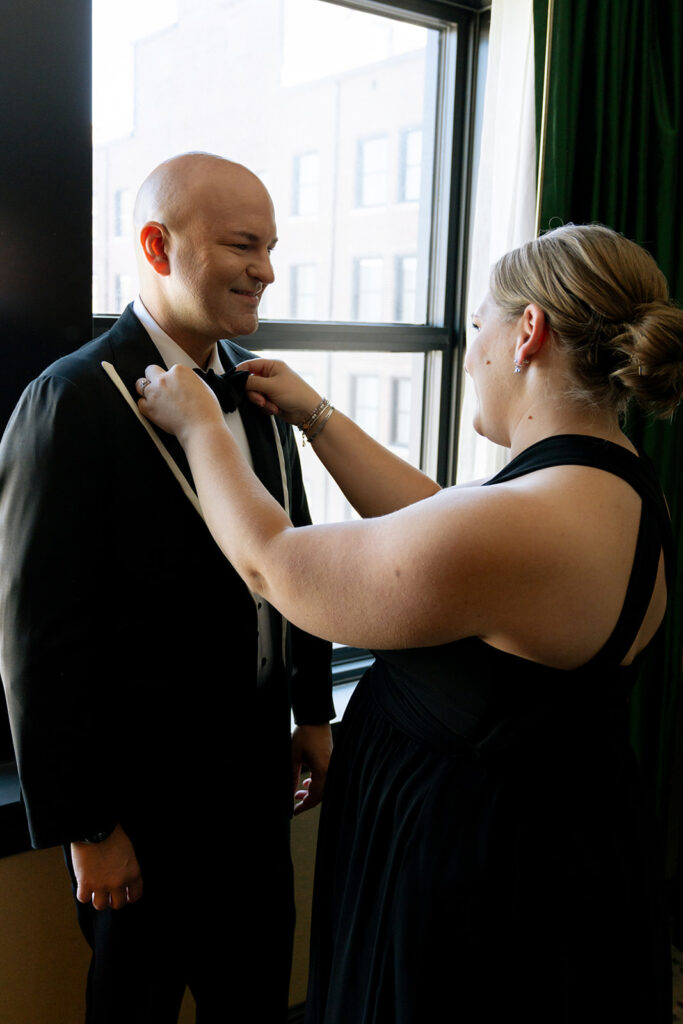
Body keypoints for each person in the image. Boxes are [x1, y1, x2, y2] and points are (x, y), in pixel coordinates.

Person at [137, 223, 682, 1023]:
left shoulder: (517, 524)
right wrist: (317, 416)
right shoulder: (618, 485)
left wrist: (201, 429)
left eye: (473, 329)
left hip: (470, 880)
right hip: (569, 846)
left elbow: (274, 563)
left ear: (526, 331)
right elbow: (439, 528)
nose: (469, 354)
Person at [0, 152, 333, 1022]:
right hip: (139, 815)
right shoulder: (66, 401)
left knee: (257, 1000)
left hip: (258, 792)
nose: (265, 270)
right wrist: (89, 830)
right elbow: (38, 645)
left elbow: (292, 548)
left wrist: (309, 711)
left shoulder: (261, 389)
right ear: (156, 245)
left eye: (270, 247)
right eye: (242, 245)